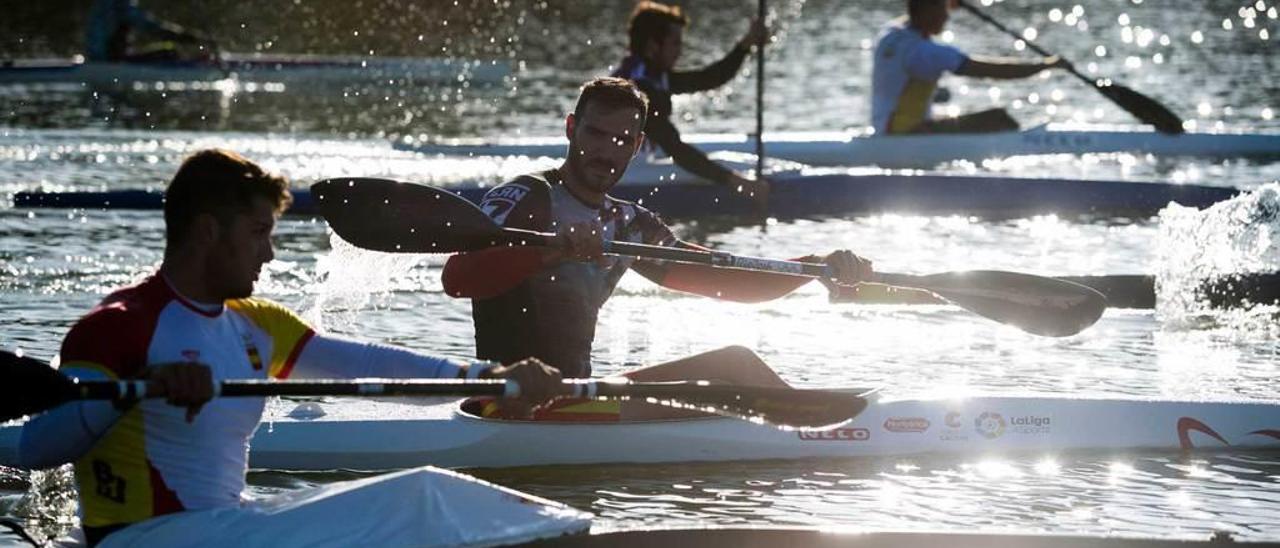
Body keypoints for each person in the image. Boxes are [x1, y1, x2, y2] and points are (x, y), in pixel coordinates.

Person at [16, 149, 563, 546]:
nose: (271, 254)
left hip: (223, 527)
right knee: (420, 499)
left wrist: (490, 376)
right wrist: (131, 394)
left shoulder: (255, 325)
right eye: (258, 233)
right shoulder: (119, 326)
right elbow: (40, 448)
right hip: (141, 537)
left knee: (425, 491)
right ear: (207, 232)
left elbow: (367, 364)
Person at [442, 77, 872, 419]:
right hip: (509, 405)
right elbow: (457, 277)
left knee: (734, 375)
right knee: (734, 369)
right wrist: (550, 252)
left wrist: (813, 268)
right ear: (572, 129)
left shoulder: (628, 224)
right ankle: (824, 435)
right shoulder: (526, 196)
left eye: (622, 139)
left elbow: (724, 280)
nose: (606, 150)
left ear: (637, 144)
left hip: (576, 401)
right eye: (595, 134)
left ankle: (810, 424)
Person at [610, 1, 771, 206]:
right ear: (652, 46)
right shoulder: (637, 89)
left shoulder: (651, 73)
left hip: (628, 166)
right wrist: (739, 183)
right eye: (675, 43)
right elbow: (676, 149)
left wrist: (746, 45)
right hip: (621, 180)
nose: (680, 51)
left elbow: (709, 78)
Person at [871, 0, 1070, 135]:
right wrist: (1046, 66)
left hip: (885, 127)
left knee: (953, 114)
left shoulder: (890, 33)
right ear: (925, 11)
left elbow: (915, 11)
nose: (946, 16)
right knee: (999, 119)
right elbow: (995, 72)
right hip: (906, 133)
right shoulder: (927, 52)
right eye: (942, 10)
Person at [86, 0, 216, 63]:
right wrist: (195, 38)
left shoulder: (105, 3)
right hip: (110, 61)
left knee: (169, 50)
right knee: (169, 52)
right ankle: (198, 62)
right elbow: (155, 29)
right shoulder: (120, 6)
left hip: (99, 58)